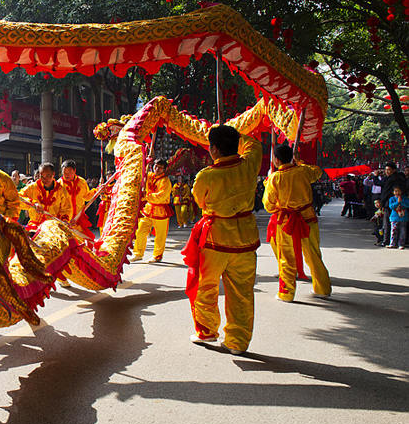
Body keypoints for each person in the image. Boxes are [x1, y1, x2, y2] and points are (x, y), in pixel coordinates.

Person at [184, 125, 261, 355]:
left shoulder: (206, 175)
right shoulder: (250, 165)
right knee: (242, 292)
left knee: (206, 287)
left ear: (214, 149)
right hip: (245, 239)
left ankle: (207, 330)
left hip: (215, 239)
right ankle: (237, 342)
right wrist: (235, 133)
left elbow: (199, 201)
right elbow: (254, 145)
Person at [262, 144, 331, 302]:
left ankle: (286, 293)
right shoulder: (303, 171)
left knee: (286, 257)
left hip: (286, 222)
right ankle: (323, 288)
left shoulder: (274, 178)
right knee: (313, 254)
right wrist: (301, 163)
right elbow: (317, 172)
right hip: (307, 218)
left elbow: (268, 205)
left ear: (277, 160)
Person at [133, 159, 173, 262]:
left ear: (164, 169)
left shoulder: (165, 181)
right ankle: (138, 253)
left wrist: (147, 196)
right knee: (140, 231)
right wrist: (147, 161)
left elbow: (162, 196)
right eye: (156, 166)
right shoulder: (149, 175)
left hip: (161, 210)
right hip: (148, 209)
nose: (157, 169)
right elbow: (142, 172)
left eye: (160, 167)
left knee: (160, 235)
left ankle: (157, 255)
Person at [20, 162, 71, 232]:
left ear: (53, 174)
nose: (44, 179)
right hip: (35, 227)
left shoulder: (61, 190)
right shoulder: (32, 187)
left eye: (48, 176)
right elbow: (18, 198)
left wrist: (65, 220)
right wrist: (33, 203)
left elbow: (66, 209)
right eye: (42, 176)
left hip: (53, 228)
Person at [59, 159, 94, 237]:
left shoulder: (81, 182)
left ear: (74, 171)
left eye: (69, 172)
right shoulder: (58, 185)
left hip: (78, 219)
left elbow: (87, 196)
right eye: (65, 172)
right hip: (64, 221)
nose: (67, 175)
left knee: (83, 242)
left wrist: (97, 190)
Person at [379, 163, 406, 247]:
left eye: (388, 170)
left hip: (390, 204)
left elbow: (385, 192)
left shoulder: (392, 179)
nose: (386, 171)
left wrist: (382, 203)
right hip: (398, 203)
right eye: (386, 169)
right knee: (398, 225)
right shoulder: (399, 178)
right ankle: (396, 242)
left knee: (388, 223)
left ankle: (387, 240)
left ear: (394, 170)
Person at [387, 184, 408, 249]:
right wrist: (397, 202)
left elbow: (407, 205)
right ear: (393, 192)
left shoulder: (405, 198)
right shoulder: (392, 199)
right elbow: (391, 206)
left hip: (403, 217)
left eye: (398, 191)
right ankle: (393, 243)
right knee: (393, 231)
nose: (397, 193)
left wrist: (401, 202)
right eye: (395, 191)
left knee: (403, 231)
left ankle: (401, 244)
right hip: (394, 217)